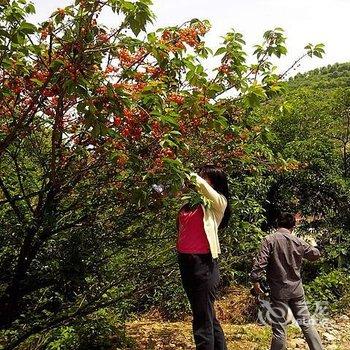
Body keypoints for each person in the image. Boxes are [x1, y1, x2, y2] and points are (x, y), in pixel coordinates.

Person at [176, 165, 231, 350]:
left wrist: (178, 166)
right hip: (186, 261)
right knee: (205, 313)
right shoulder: (190, 203)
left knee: (202, 319)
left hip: (204, 264)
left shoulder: (218, 202)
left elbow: (203, 187)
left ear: (215, 183)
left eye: (204, 177)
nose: (200, 180)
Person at [251, 212, 324, 350]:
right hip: (297, 291)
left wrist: (255, 280)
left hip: (279, 292)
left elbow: (260, 264)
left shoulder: (269, 240)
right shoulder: (298, 241)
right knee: (306, 324)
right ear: (293, 226)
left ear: (277, 223)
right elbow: (315, 254)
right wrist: (314, 248)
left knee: (279, 329)